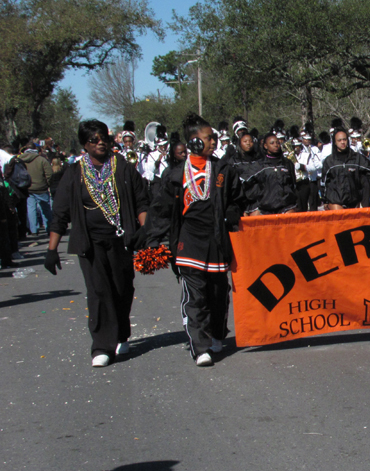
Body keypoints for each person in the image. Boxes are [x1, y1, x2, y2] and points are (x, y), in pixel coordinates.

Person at [45, 119, 149, 368]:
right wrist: (51, 249)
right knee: (99, 291)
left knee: (122, 288)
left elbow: (141, 201)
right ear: (85, 144)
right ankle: (102, 346)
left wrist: (145, 230)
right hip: (90, 243)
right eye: (94, 139)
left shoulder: (122, 167)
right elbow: (60, 214)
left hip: (121, 239)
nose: (100, 142)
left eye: (103, 137)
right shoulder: (74, 173)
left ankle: (122, 334)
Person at [146, 112, 247, 367]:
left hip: (216, 240)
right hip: (188, 241)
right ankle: (200, 346)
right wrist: (152, 240)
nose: (213, 142)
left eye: (213, 137)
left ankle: (215, 334)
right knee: (195, 295)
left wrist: (232, 215)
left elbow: (237, 199)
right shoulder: (175, 174)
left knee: (218, 292)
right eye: (208, 138)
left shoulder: (223, 169)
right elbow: (160, 210)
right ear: (193, 142)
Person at [320, 128, 370, 210]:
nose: (342, 142)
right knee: (341, 221)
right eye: (339, 140)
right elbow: (324, 182)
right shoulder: (329, 161)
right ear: (335, 142)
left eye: (344, 139)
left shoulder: (356, 157)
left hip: (353, 198)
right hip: (336, 199)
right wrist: (325, 200)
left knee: (353, 222)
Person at [18, 143, 53, 235]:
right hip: (41, 187)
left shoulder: (20, 160)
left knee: (31, 209)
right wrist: (47, 184)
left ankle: (33, 230)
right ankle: (49, 228)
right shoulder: (42, 160)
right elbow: (49, 174)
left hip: (27, 188)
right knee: (45, 209)